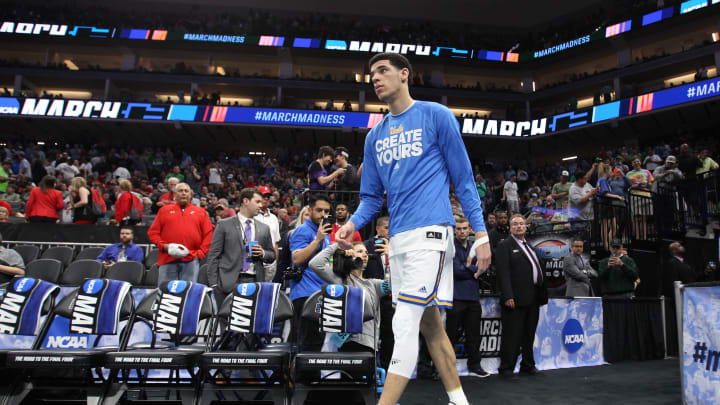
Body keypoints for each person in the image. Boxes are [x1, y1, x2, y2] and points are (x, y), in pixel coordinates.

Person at [336, 53, 490, 405]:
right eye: (372, 74)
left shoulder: (435, 115)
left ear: (405, 74)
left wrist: (480, 234)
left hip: (431, 235)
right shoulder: (374, 136)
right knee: (431, 326)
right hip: (399, 242)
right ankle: (459, 400)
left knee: (403, 322)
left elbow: (464, 180)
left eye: (383, 71)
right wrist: (352, 223)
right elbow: (372, 199)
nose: (375, 78)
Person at [309, 241, 389, 352]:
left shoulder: (373, 284)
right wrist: (337, 246)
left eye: (366, 252)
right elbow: (315, 264)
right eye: (360, 251)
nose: (365, 255)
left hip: (370, 344)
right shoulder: (341, 280)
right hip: (350, 343)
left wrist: (391, 257)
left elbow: (395, 284)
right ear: (350, 255)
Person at [495, 214, 546, 379]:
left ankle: (527, 364)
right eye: (515, 224)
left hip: (533, 297)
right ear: (510, 228)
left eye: (521, 224)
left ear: (526, 227)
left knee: (529, 334)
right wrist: (508, 295)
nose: (518, 226)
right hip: (515, 299)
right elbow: (503, 273)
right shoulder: (505, 245)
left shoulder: (529, 246)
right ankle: (506, 368)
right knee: (512, 334)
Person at [207, 188, 276, 304]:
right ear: (246, 201)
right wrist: (214, 284)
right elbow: (213, 256)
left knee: (251, 320)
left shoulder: (264, 228)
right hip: (228, 282)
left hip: (255, 281)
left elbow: (272, 255)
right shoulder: (224, 225)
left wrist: (263, 253)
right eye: (257, 201)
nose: (261, 205)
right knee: (227, 320)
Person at [446, 217, 489, 378]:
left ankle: (475, 366)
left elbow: (483, 267)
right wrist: (474, 270)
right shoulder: (450, 248)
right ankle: (447, 368)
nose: (462, 231)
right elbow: (456, 270)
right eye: (459, 228)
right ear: (454, 230)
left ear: (470, 230)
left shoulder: (474, 247)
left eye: (464, 228)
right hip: (456, 297)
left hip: (473, 297)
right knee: (450, 335)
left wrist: (469, 268)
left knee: (473, 335)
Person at [289, 193, 333, 350]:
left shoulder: (325, 233)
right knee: (307, 345)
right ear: (310, 210)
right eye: (319, 210)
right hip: (305, 295)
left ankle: (313, 375)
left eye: (327, 211)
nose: (323, 214)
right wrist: (317, 240)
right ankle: (303, 376)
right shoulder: (303, 231)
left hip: (320, 293)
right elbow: (297, 259)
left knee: (318, 345)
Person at [147, 182, 213, 285]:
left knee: (188, 293)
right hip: (167, 259)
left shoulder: (201, 212)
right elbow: (153, 233)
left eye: (186, 191)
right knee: (166, 294)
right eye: (180, 191)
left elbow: (208, 235)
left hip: (191, 259)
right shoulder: (164, 211)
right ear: (174, 195)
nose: (183, 193)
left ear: (191, 195)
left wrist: (200, 253)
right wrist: (164, 246)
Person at [362, 216, 393, 369]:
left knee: (390, 334)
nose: (389, 231)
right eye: (386, 227)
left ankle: (387, 369)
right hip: (372, 295)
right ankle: (368, 367)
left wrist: (392, 252)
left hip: (391, 297)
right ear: (378, 229)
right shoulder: (366, 246)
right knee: (369, 333)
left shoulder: (397, 247)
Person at [254, 185, 281, 282]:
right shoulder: (253, 215)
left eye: (268, 197)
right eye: (263, 196)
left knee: (267, 291)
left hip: (270, 263)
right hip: (255, 261)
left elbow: (276, 242)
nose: (265, 199)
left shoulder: (274, 218)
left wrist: (275, 261)